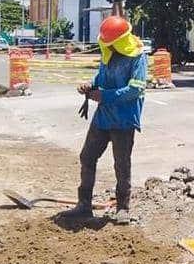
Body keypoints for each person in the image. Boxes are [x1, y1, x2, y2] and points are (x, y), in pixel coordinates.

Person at [59, 15, 147, 224]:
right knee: (87, 157)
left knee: (121, 165)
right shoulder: (108, 53)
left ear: (120, 41)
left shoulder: (137, 57)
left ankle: (123, 208)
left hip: (124, 120)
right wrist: (89, 86)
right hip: (103, 118)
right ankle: (84, 205)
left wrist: (105, 96)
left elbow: (136, 89)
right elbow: (100, 78)